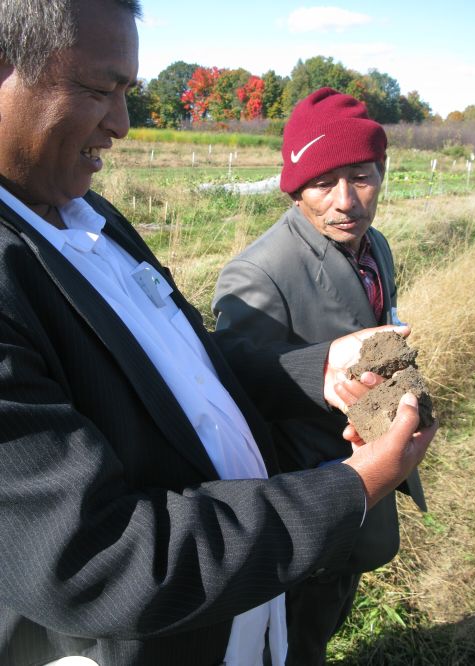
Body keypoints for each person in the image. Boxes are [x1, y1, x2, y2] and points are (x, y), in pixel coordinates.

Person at [0, 3, 436, 666]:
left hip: (249, 617)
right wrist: (351, 487)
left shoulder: (88, 216)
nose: (121, 124)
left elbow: (194, 371)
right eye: (97, 89)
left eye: (127, 93)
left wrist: (314, 372)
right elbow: (97, 558)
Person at [213, 87, 427, 665]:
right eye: (321, 182)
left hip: (366, 473)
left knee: (332, 612)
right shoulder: (259, 270)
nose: (344, 201)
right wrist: (322, 373)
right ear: (294, 186)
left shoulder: (373, 245)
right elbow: (234, 371)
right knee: (293, 638)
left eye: (360, 176)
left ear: (382, 173)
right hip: (307, 495)